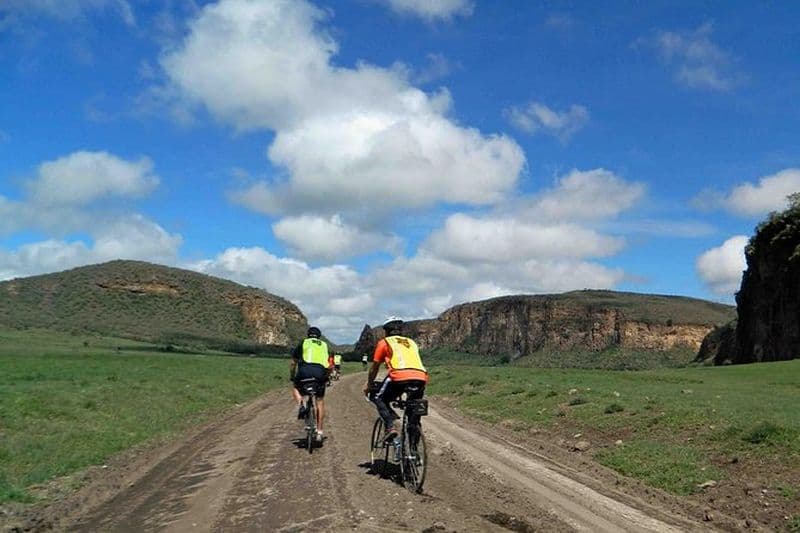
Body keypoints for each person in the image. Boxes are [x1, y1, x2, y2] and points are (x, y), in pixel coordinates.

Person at [363, 316, 428, 440]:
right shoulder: (411, 342)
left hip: (399, 376)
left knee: (377, 397)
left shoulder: (385, 342)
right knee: (414, 413)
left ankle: (389, 427)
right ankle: (414, 447)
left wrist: (369, 385)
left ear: (386, 331)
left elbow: (374, 368)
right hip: (420, 377)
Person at [290, 326, 333, 441]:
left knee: (295, 387)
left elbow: (293, 362)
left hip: (304, 372)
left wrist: (292, 376)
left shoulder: (303, 343)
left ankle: (302, 405)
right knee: (319, 400)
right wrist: (326, 376)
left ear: (308, 335)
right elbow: (330, 366)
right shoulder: (324, 345)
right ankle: (320, 432)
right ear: (319, 336)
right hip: (320, 373)